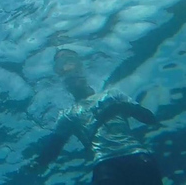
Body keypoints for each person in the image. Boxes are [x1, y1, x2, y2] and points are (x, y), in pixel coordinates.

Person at [34, 49, 163, 185]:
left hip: (135, 157)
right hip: (106, 165)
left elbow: (150, 119)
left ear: (81, 68)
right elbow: (53, 148)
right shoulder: (68, 115)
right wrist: (37, 162)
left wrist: (122, 106)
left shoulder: (112, 95)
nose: (69, 71)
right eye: (62, 66)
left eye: (70, 61)